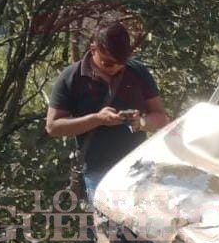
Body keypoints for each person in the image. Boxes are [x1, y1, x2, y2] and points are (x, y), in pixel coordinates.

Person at [46, 21, 170, 202]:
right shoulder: (71, 78)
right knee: (108, 220)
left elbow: (162, 118)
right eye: (109, 63)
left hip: (140, 168)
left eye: (122, 63)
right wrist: (97, 119)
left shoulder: (138, 72)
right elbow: (53, 127)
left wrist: (141, 123)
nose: (116, 68)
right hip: (98, 172)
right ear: (93, 49)